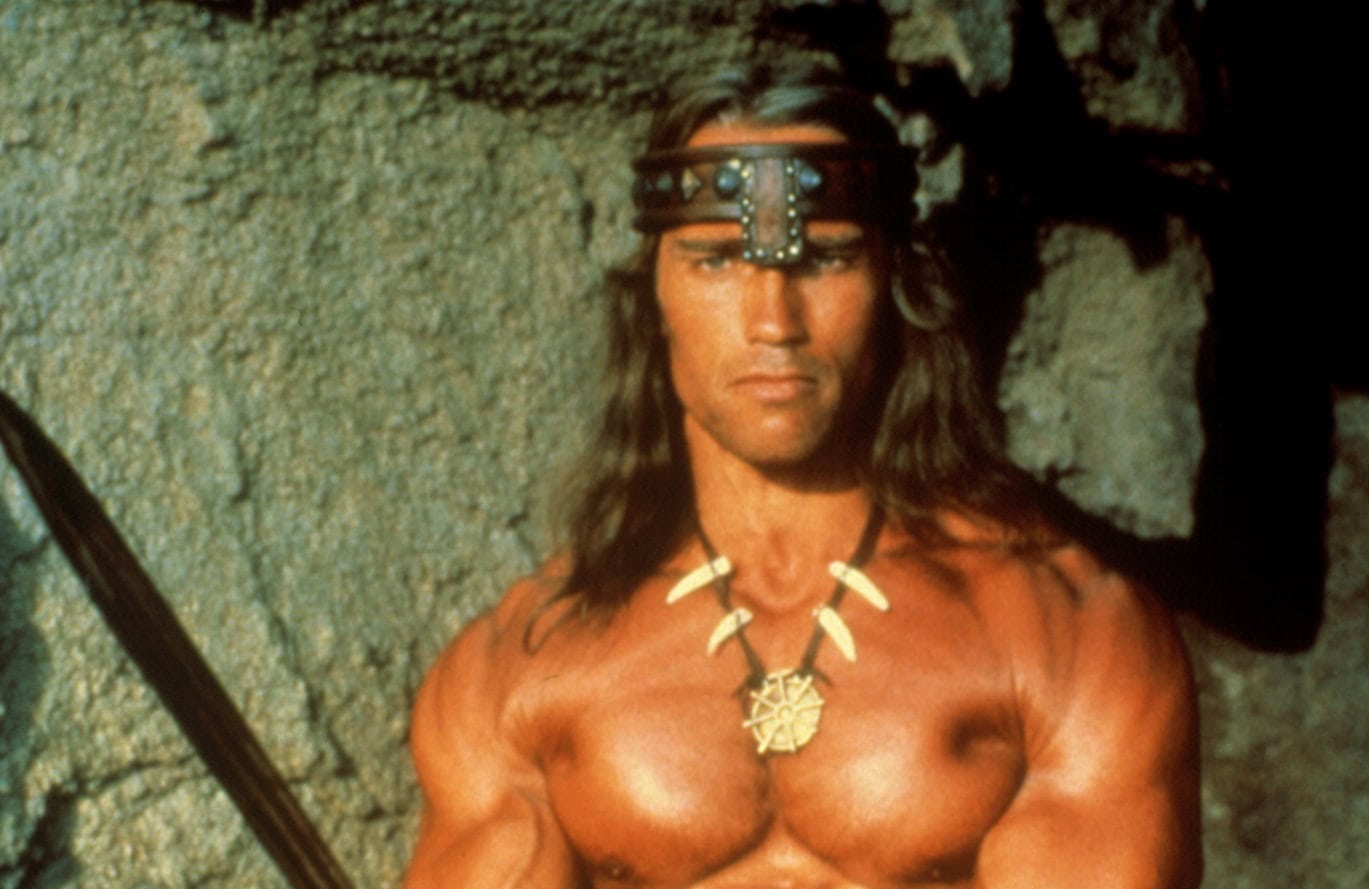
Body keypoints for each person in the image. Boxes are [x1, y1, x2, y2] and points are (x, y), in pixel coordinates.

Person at [404, 61, 1201, 888]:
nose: (773, 323)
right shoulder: (523, 667)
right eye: (716, 261)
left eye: (823, 259)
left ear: (894, 286)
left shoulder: (1068, 637)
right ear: (653, 297)